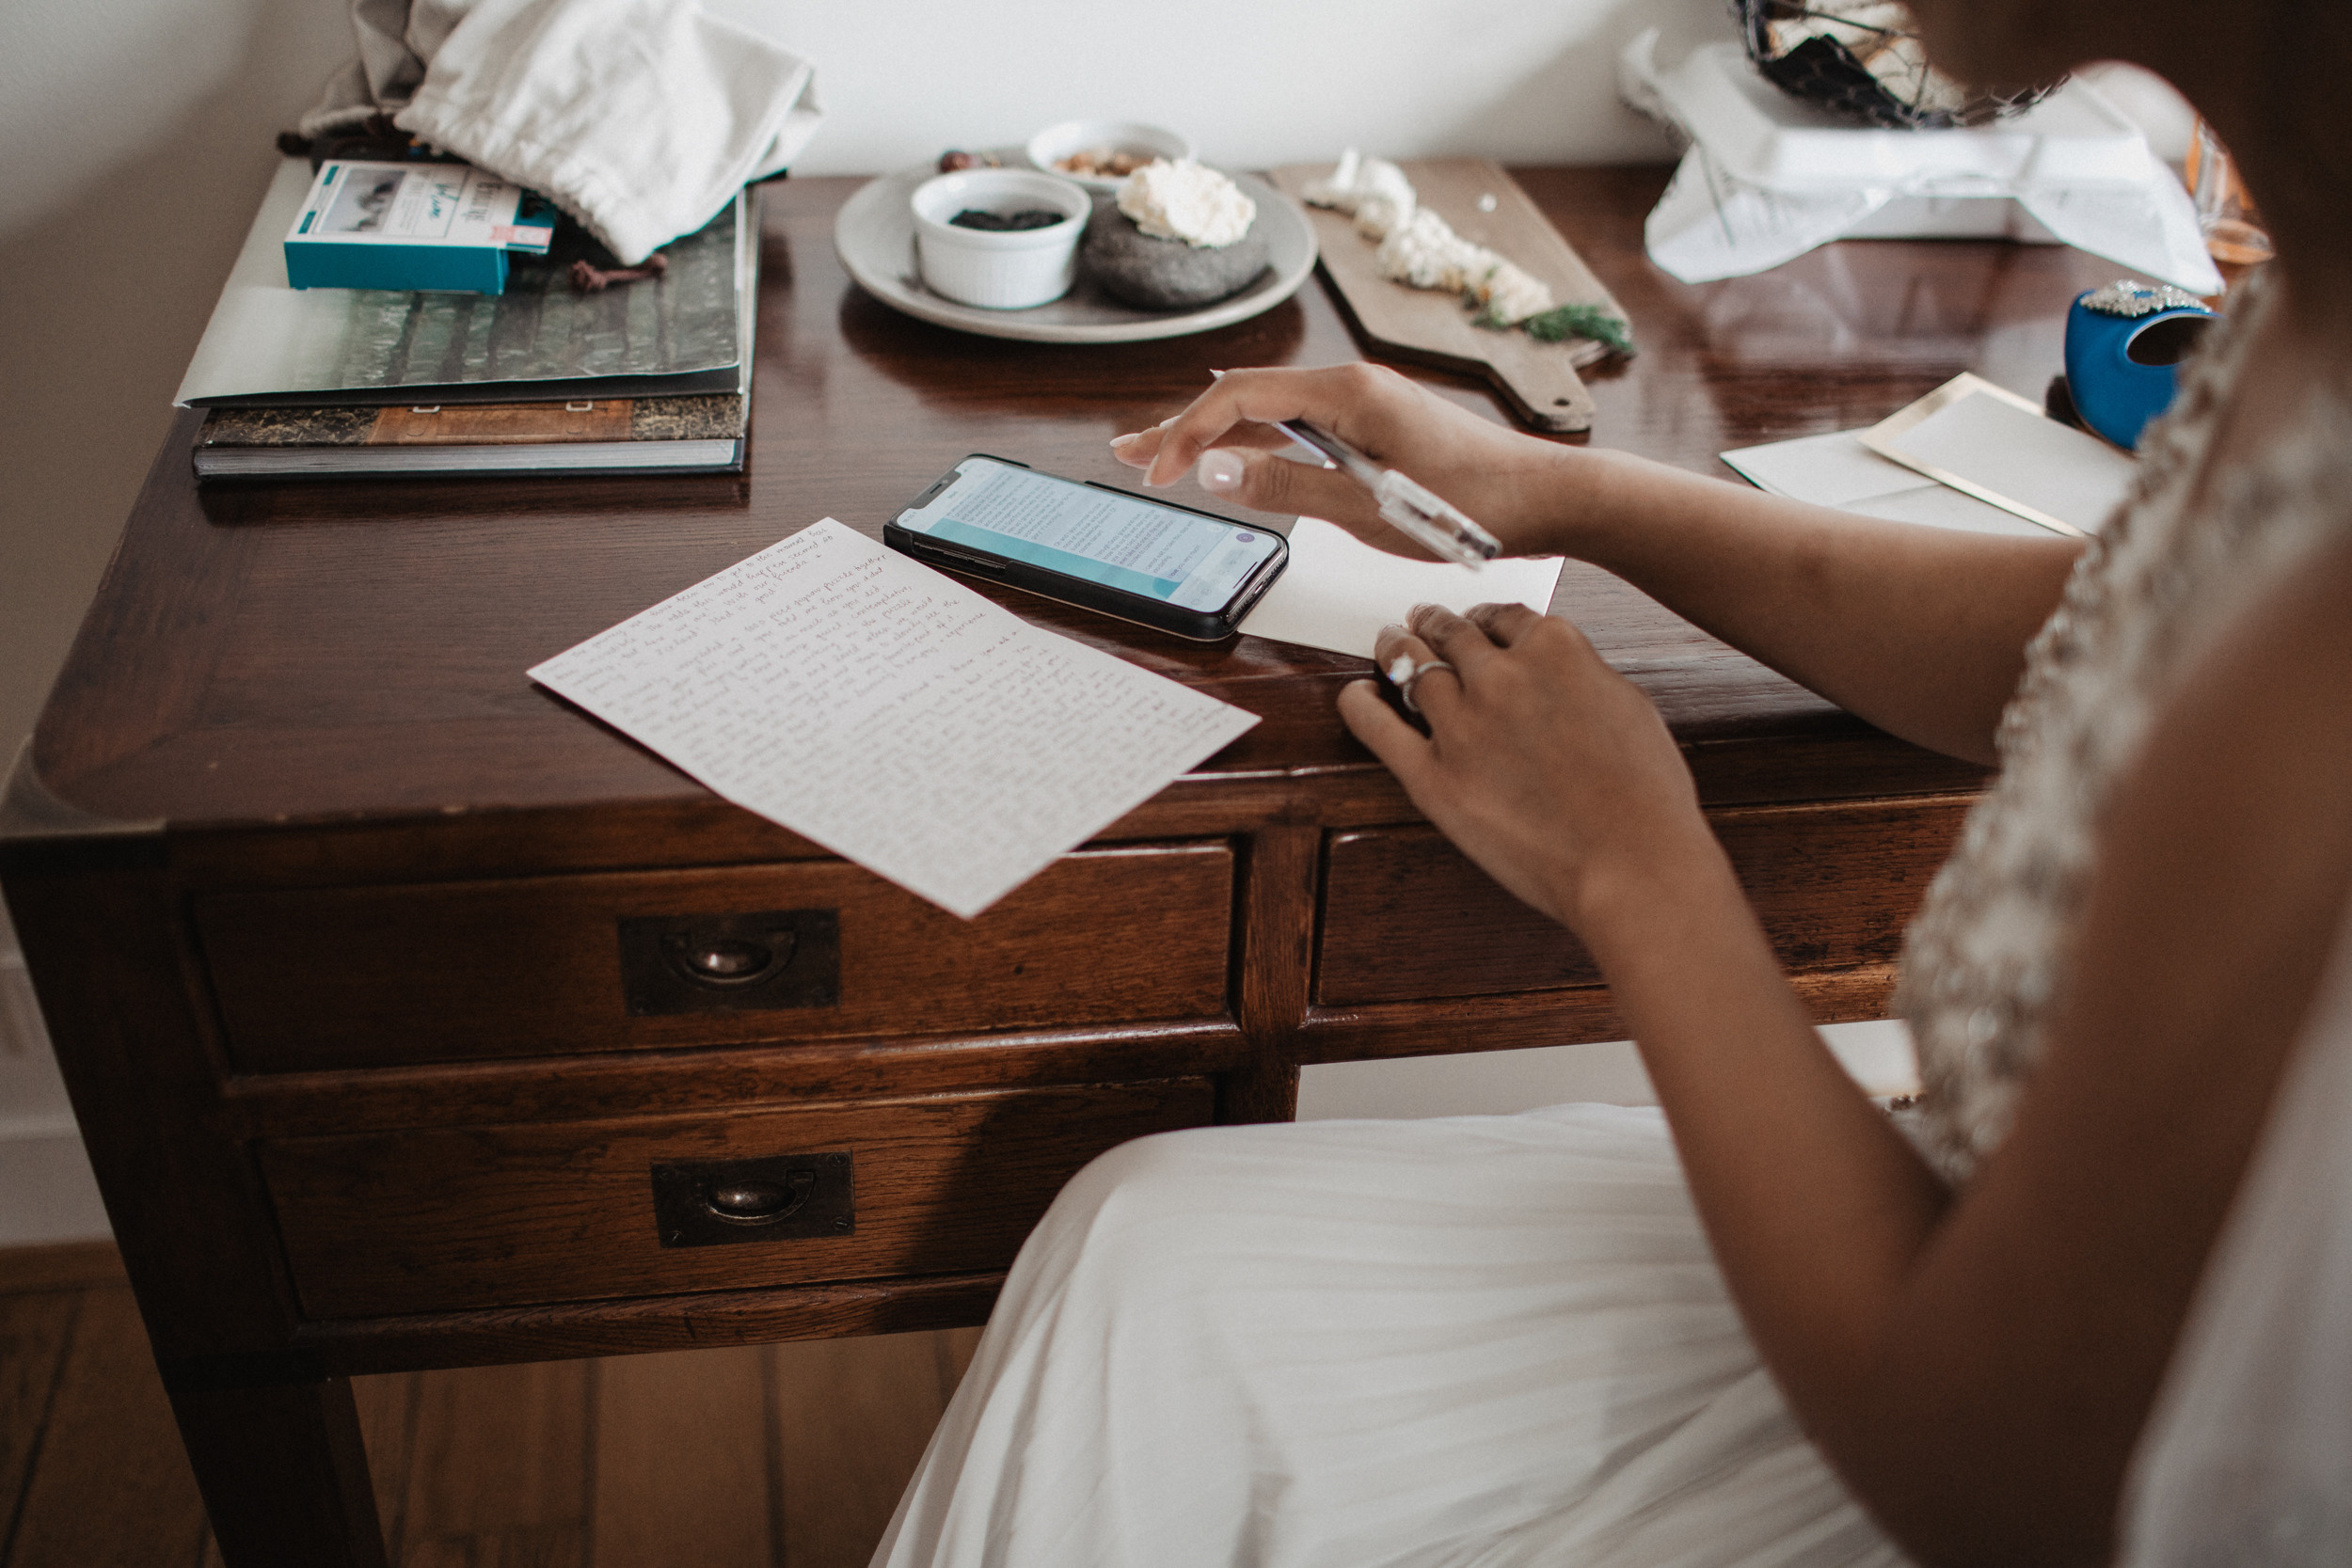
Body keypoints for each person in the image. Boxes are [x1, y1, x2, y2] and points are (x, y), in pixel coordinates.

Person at [873, 2, 2352, 1562]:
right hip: (1973, 1278)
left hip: (1977, 1445)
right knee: (1138, 1235)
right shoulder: (2305, 302)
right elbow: (2095, 627)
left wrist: (1634, 863)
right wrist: (1554, 490)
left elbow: (2012, 1487)